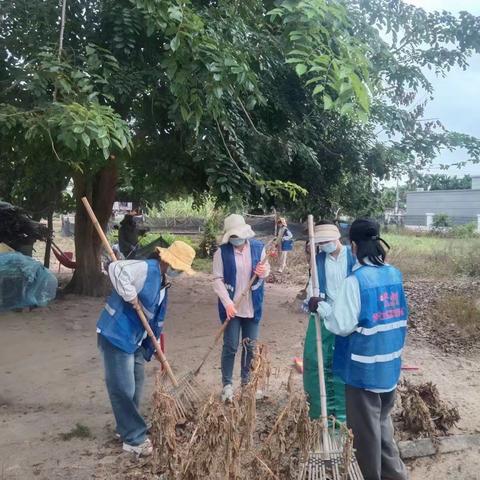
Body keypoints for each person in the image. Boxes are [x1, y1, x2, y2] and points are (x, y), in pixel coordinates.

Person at [317, 219, 408, 480]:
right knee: (382, 429)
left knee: (366, 442)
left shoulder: (355, 281)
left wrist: (321, 308)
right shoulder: (394, 274)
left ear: (353, 245)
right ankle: (397, 476)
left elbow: (340, 325)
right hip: (389, 368)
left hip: (362, 371)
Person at [96, 241, 195, 456]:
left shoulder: (162, 280)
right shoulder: (147, 268)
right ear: (167, 261)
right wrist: (129, 294)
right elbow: (115, 268)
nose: (179, 272)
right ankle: (133, 438)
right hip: (117, 333)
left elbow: (153, 317)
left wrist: (155, 345)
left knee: (136, 383)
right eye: (178, 267)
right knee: (123, 387)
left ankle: (126, 426)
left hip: (136, 339)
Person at [213, 214, 270, 402]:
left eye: (238, 235)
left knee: (250, 347)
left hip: (252, 305)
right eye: (233, 236)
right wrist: (227, 303)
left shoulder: (258, 248)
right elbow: (217, 280)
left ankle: (247, 384)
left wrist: (263, 272)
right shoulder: (221, 253)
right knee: (230, 345)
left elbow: (265, 269)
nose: (236, 239)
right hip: (232, 307)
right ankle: (227, 385)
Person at [304, 221, 355, 422]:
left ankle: (344, 415)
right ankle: (319, 414)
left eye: (327, 241)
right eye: (321, 242)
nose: (324, 245)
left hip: (348, 318)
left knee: (343, 364)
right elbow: (312, 288)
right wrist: (314, 302)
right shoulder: (318, 261)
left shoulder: (353, 257)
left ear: (337, 239)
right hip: (325, 315)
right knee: (317, 361)